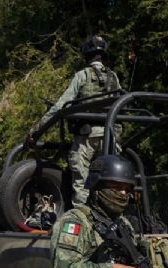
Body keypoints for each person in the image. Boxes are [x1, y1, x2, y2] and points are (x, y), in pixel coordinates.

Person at [38, 35, 122, 206]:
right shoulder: (114, 78)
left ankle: (81, 221)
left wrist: (37, 128)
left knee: (82, 182)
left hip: (86, 137)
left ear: (86, 56)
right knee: (108, 181)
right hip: (111, 136)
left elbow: (60, 105)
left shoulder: (82, 75)